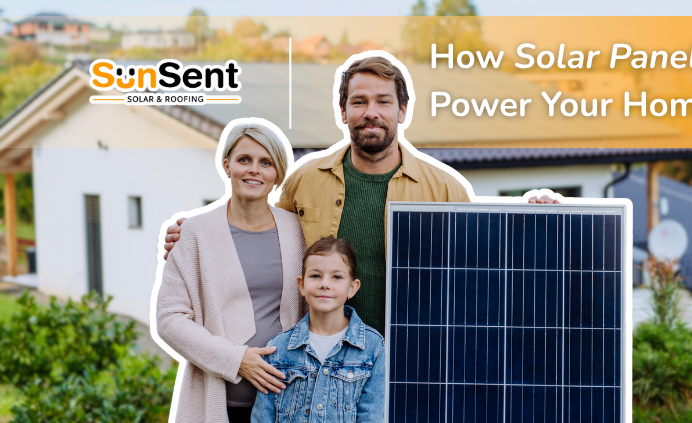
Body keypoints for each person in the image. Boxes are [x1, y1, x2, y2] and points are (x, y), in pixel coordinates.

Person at [164, 54, 557, 336]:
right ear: (342, 112)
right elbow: (263, 239)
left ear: (402, 111)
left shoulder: (445, 189)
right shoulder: (305, 180)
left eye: (383, 101)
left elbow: (481, 270)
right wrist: (199, 237)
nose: (372, 112)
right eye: (359, 102)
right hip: (319, 367)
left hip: (413, 362)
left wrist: (539, 216)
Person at [156, 123, 307, 423]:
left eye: (266, 163)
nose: (254, 170)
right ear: (226, 165)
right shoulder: (193, 233)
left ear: (277, 173)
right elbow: (169, 320)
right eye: (244, 160)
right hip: (222, 404)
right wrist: (237, 360)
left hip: (288, 404)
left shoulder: (298, 230)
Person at [249, 236, 384, 423]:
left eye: (337, 277)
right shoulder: (278, 349)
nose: (325, 284)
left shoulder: (373, 349)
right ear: (302, 285)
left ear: (352, 287)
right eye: (315, 276)